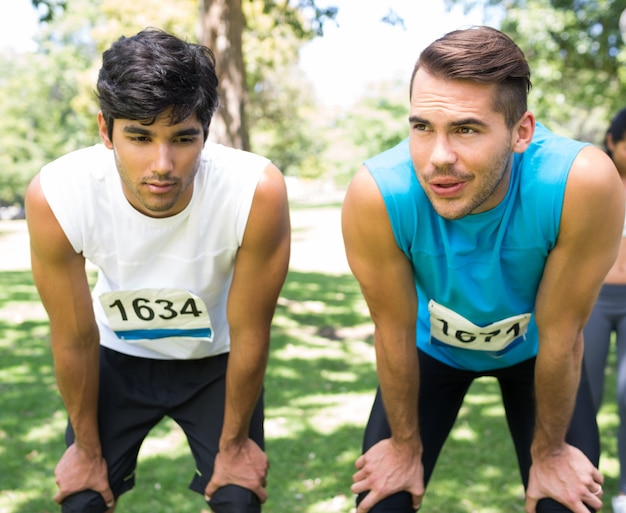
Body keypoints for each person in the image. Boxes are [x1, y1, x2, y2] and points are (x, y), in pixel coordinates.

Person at [341, 25, 624, 513]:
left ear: (521, 132)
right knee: (382, 498)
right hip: (431, 351)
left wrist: (551, 452)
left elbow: (562, 335)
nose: (438, 158)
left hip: (539, 353)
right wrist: (404, 445)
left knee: (566, 500)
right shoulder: (378, 193)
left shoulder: (581, 181)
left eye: (466, 129)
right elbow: (391, 329)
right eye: (422, 127)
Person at [25, 28, 290, 513]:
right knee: (82, 497)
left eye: (183, 138)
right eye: (140, 137)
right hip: (114, 360)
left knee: (238, 496)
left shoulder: (256, 190)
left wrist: (233, 447)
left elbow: (253, 330)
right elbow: (72, 338)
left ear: (206, 132)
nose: (162, 164)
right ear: (106, 130)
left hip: (218, 362)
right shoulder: (58, 193)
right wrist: (85, 450)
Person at [582, 108, 626, 513]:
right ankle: (581, 480)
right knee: (584, 393)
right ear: (612, 141)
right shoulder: (595, 183)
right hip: (594, 297)